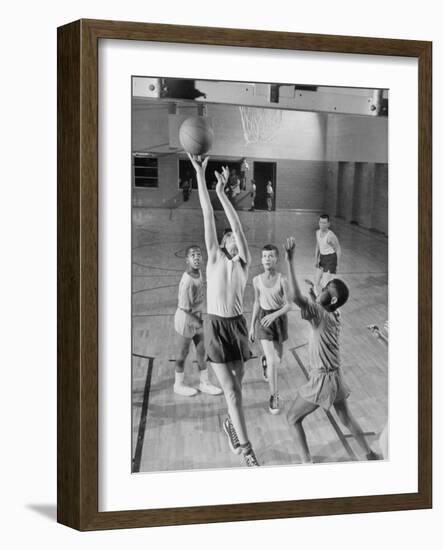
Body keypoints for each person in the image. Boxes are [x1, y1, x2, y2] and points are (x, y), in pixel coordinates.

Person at [187, 153, 259, 467]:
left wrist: (225, 196)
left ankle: (231, 424)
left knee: (238, 386)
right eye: (226, 235)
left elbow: (238, 229)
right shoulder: (214, 257)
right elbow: (206, 215)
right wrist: (202, 177)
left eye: (231, 237)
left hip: (237, 326)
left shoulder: (243, 263)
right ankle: (247, 450)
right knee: (231, 391)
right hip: (216, 327)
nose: (229, 237)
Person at [284, 236, 379, 463]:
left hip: (322, 381)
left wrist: (290, 259)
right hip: (336, 376)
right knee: (345, 417)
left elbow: (295, 297)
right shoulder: (335, 313)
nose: (323, 287)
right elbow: (323, 302)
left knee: (291, 418)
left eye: (327, 287)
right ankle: (370, 454)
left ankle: (307, 462)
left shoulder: (320, 316)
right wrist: (316, 293)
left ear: (333, 297)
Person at [173, 245, 222, 397]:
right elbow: (185, 309)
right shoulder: (188, 281)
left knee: (202, 351)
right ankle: (178, 384)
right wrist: (202, 324)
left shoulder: (198, 272)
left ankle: (204, 383)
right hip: (186, 321)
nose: (196, 257)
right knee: (182, 354)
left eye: (198, 254)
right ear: (186, 260)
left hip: (197, 318)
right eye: (192, 255)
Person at [249, 244, 290, 414]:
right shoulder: (256, 280)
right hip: (264, 322)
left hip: (278, 319)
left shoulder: (282, 280)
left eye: (271, 256)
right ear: (261, 259)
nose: (267, 259)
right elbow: (257, 302)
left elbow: (289, 305)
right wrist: (252, 326)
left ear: (276, 259)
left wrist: (275, 315)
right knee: (274, 362)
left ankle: (265, 361)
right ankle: (274, 396)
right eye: (264, 256)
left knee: (278, 358)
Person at [312, 214, 341, 296]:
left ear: (328, 224)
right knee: (316, 280)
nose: (322, 224)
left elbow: (338, 249)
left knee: (325, 282)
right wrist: (316, 260)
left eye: (324, 223)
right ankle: (317, 296)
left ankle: (329, 299)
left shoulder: (331, 236)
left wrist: (337, 264)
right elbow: (318, 246)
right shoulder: (317, 232)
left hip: (331, 259)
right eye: (321, 222)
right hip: (322, 258)